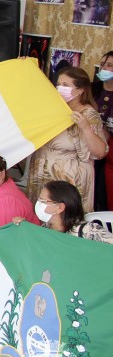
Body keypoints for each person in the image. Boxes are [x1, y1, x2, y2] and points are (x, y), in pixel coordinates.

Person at [28, 67, 109, 212]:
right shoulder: (54, 108)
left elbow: (100, 152)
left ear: (80, 90)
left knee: (62, 216)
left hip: (67, 176)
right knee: (41, 213)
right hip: (42, 170)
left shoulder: (88, 114)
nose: (60, 88)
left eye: (65, 85)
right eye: (58, 84)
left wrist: (85, 128)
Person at [29, 180, 113, 243]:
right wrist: (24, 227)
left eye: (43, 201)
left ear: (60, 207)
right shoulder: (46, 227)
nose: (38, 203)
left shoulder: (88, 231)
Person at [92, 50, 113, 211]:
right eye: (103, 64)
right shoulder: (92, 88)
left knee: (103, 194)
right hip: (89, 148)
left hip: (109, 153)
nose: (104, 68)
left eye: (110, 65)